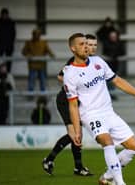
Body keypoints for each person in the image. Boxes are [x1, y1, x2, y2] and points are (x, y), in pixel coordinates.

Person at [63, 33, 135, 185]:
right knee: (108, 142)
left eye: (87, 43)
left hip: (108, 112)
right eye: (82, 44)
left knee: (133, 147)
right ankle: (120, 183)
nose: (86, 47)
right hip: (90, 115)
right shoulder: (70, 73)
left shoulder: (98, 62)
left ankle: (107, 177)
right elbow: (73, 104)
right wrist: (77, 130)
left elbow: (117, 80)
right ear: (73, 48)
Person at [41, 34, 97, 176]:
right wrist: (72, 85)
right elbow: (60, 76)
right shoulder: (75, 61)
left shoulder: (93, 63)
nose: (90, 47)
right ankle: (49, 160)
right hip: (65, 101)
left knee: (78, 135)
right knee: (74, 134)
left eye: (93, 45)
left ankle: (78, 167)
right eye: (88, 44)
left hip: (77, 102)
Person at [0, 8, 16, 73]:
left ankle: (8, 72)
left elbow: (13, 34)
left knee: (9, 60)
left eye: (6, 14)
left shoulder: (11, 22)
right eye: (3, 14)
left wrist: (11, 42)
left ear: (7, 15)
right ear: (1, 15)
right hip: (0, 45)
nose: (4, 16)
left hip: (9, 45)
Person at [103, 30, 125, 100]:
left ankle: (112, 94)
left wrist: (116, 56)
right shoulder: (106, 43)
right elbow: (105, 53)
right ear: (109, 37)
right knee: (107, 81)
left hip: (116, 64)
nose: (113, 38)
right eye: (112, 36)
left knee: (114, 80)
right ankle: (108, 95)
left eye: (114, 36)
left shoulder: (119, 43)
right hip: (108, 64)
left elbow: (122, 53)